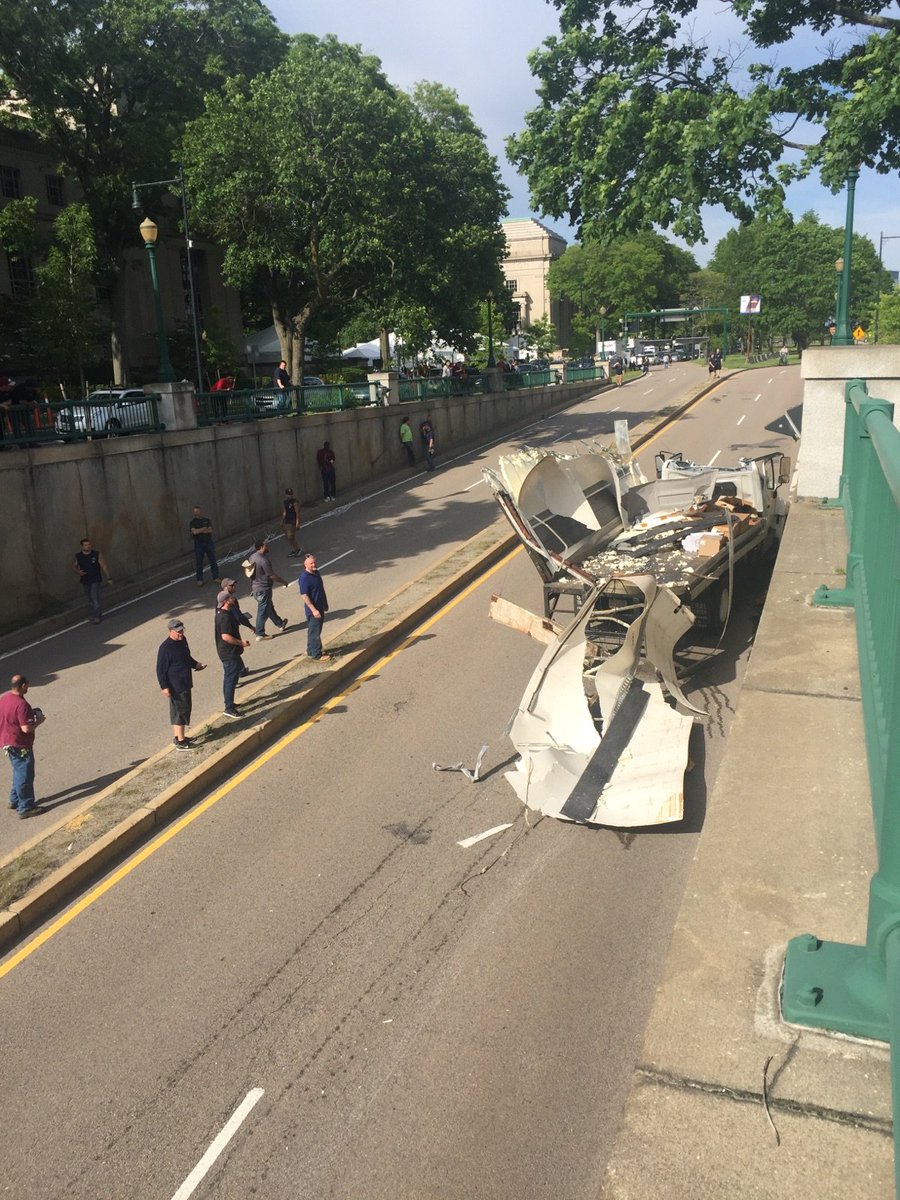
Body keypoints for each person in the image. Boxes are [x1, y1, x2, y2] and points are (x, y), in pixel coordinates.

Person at [0, 674, 47, 818]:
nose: (28, 686)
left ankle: (14, 800)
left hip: (6, 741)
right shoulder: (22, 704)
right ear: (23, 686)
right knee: (25, 775)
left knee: (18, 771)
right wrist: (39, 720)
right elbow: (26, 728)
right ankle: (25, 807)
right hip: (20, 745)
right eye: (27, 684)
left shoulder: (5, 698)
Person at [156, 618, 205, 750]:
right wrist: (164, 686)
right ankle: (181, 742)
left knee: (181, 710)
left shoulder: (183, 641)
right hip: (175, 684)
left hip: (185, 681)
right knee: (181, 711)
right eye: (178, 632)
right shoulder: (165, 648)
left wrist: (195, 664)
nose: (181, 633)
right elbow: (160, 669)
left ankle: (178, 737)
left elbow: (186, 657)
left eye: (182, 631)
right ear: (170, 632)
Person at [246, 537, 290, 638]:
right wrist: (283, 582)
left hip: (256, 588)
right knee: (263, 611)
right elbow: (271, 575)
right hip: (263, 589)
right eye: (266, 545)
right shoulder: (263, 560)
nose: (267, 546)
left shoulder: (252, 557)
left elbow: (249, 572)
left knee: (268, 607)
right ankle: (260, 633)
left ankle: (280, 623)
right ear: (261, 547)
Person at [215, 593, 250, 718]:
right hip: (228, 652)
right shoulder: (224, 617)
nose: (233, 598)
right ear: (225, 601)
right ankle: (228, 707)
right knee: (230, 679)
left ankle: (230, 703)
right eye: (230, 598)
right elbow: (225, 636)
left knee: (233, 675)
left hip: (230, 652)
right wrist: (241, 643)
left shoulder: (221, 613)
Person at [217, 580, 254, 681]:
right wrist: (250, 626)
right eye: (231, 585)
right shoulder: (230, 601)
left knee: (235, 651)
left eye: (234, 584)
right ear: (225, 587)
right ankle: (233, 679)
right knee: (232, 652)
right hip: (230, 630)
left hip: (228, 629)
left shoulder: (221, 602)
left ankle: (241, 670)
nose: (234, 586)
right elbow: (239, 616)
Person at [298, 552, 329, 661]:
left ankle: (310, 650)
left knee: (314, 630)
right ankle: (317, 654)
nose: (314, 565)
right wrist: (314, 610)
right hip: (313, 611)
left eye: (314, 562)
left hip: (320, 606)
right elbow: (304, 596)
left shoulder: (316, 573)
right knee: (315, 632)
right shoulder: (304, 578)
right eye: (311, 563)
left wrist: (325, 603)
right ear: (305, 565)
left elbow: (321, 589)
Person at [72, 537, 112, 623]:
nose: (88, 546)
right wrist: (78, 572)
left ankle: (97, 616)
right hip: (85, 580)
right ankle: (94, 614)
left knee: (94, 597)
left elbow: (104, 565)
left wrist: (109, 577)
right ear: (82, 547)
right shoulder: (78, 556)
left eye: (89, 544)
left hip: (95, 578)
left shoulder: (96, 554)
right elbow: (74, 566)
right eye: (85, 545)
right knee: (89, 599)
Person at [189, 505, 219, 586]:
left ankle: (216, 577)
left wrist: (200, 531)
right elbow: (194, 532)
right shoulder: (192, 522)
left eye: (197, 511)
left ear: (200, 511)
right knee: (199, 562)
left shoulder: (206, 520)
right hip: (199, 544)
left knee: (212, 560)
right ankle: (199, 579)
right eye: (195, 511)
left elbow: (210, 530)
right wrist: (203, 529)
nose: (196, 513)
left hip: (208, 542)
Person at [282, 487, 302, 555]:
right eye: (288, 494)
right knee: (288, 537)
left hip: (292, 521)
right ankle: (295, 549)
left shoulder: (295, 502)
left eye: (290, 494)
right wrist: (282, 520)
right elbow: (285, 512)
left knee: (290, 536)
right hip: (287, 521)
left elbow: (297, 513)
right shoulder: (285, 502)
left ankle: (298, 549)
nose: (289, 496)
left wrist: (297, 522)